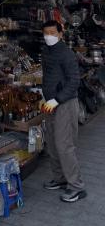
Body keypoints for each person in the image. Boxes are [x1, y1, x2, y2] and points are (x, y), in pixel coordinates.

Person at [41, 20, 86, 203]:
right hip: (50, 104)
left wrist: (57, 99)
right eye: (46, 33)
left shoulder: (67, 54)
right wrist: (45, 96)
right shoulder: (46, 51)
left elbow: (74, 80)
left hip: (64, 104)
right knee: (52, 143)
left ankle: (76, 186)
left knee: (64, 146)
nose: (49, 36)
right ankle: (60, 178)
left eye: (52, 33)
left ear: (60, 34)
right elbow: (48, 77)